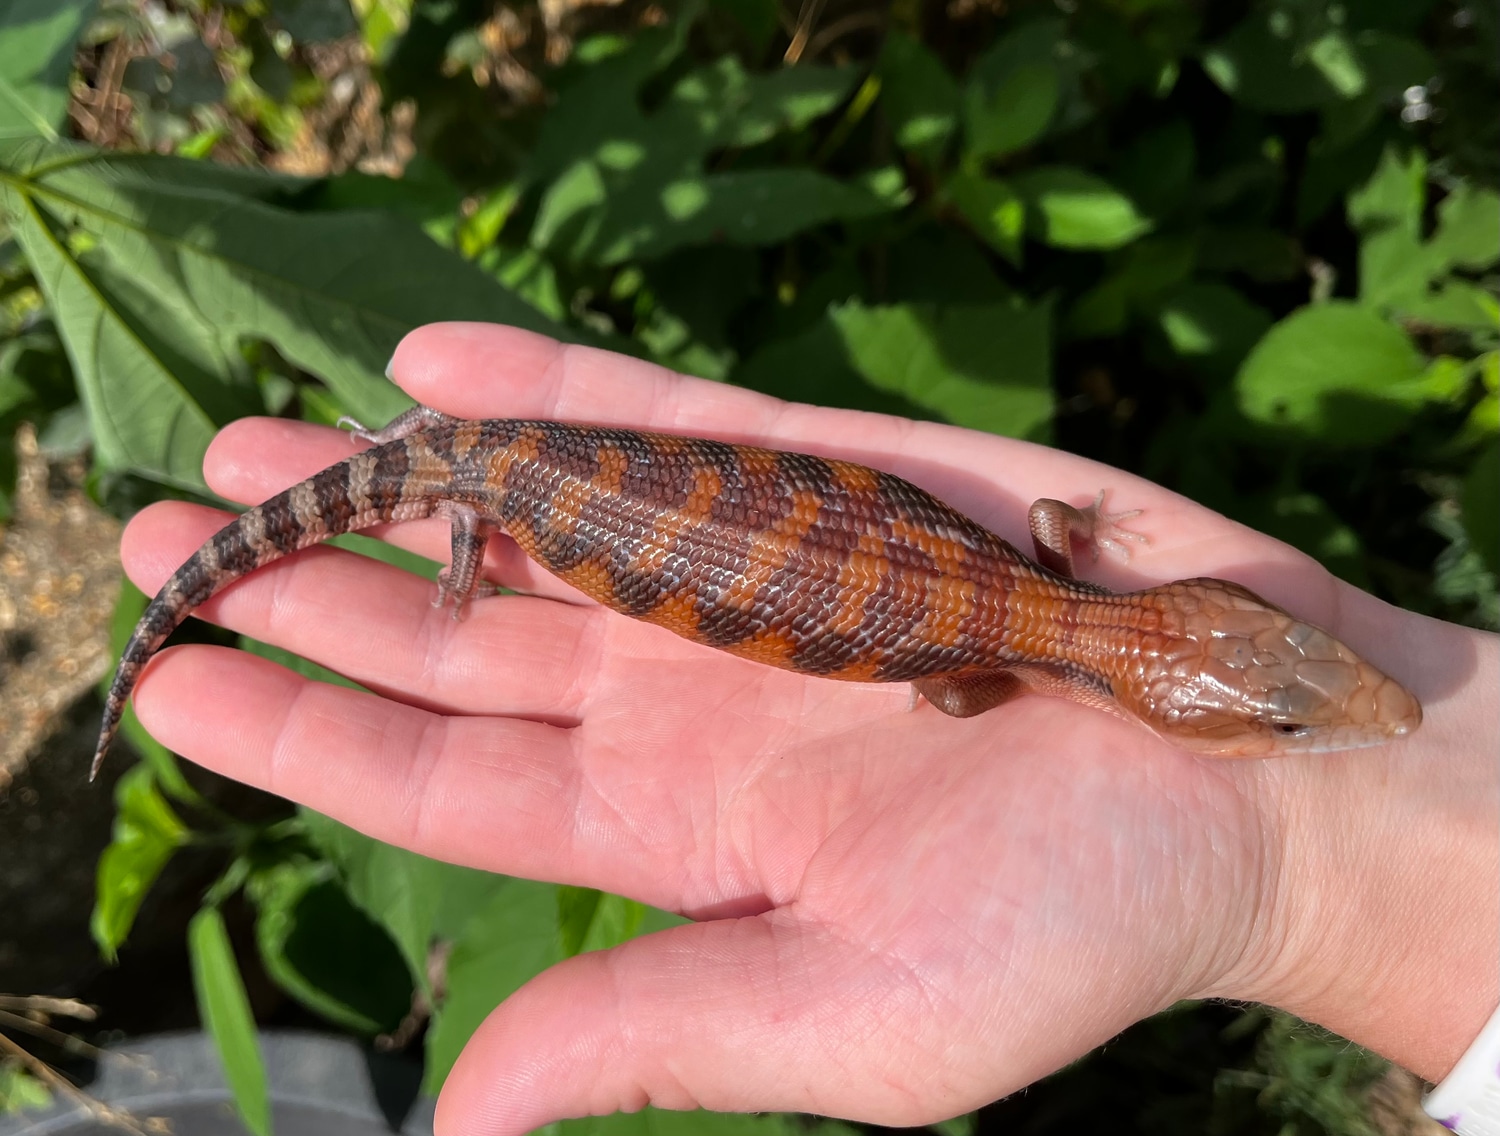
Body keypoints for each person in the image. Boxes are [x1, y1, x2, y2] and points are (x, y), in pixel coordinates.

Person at [117, 322, 1500, 1135]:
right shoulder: (984, 667)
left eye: (1290, 701)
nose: (1344, 706)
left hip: (530, 470)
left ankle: (425, 471)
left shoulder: (1040, 571)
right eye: (1293, 704)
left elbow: (1051, 540)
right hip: (526, 498)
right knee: (330, 523)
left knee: (466, 477)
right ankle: (384, 512)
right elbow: (953, 687)